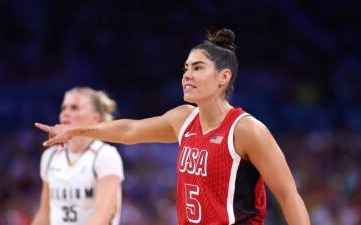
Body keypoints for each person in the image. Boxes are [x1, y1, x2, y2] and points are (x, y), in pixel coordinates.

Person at [36, 28, 310, 225]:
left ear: (223, 77)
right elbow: (129, 131)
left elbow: (288, 195)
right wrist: (76, 130)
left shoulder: (246, 130)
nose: (187, 75)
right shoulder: (183, 118)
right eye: (185, 68)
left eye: (198, 68)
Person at [32, 87, 124, 225]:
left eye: (74, 108)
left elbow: (102, 218)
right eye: (64, 108)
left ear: (95, 118)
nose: (65, 113)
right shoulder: (50, 156)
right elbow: (45, 213)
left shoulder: (105, 155)